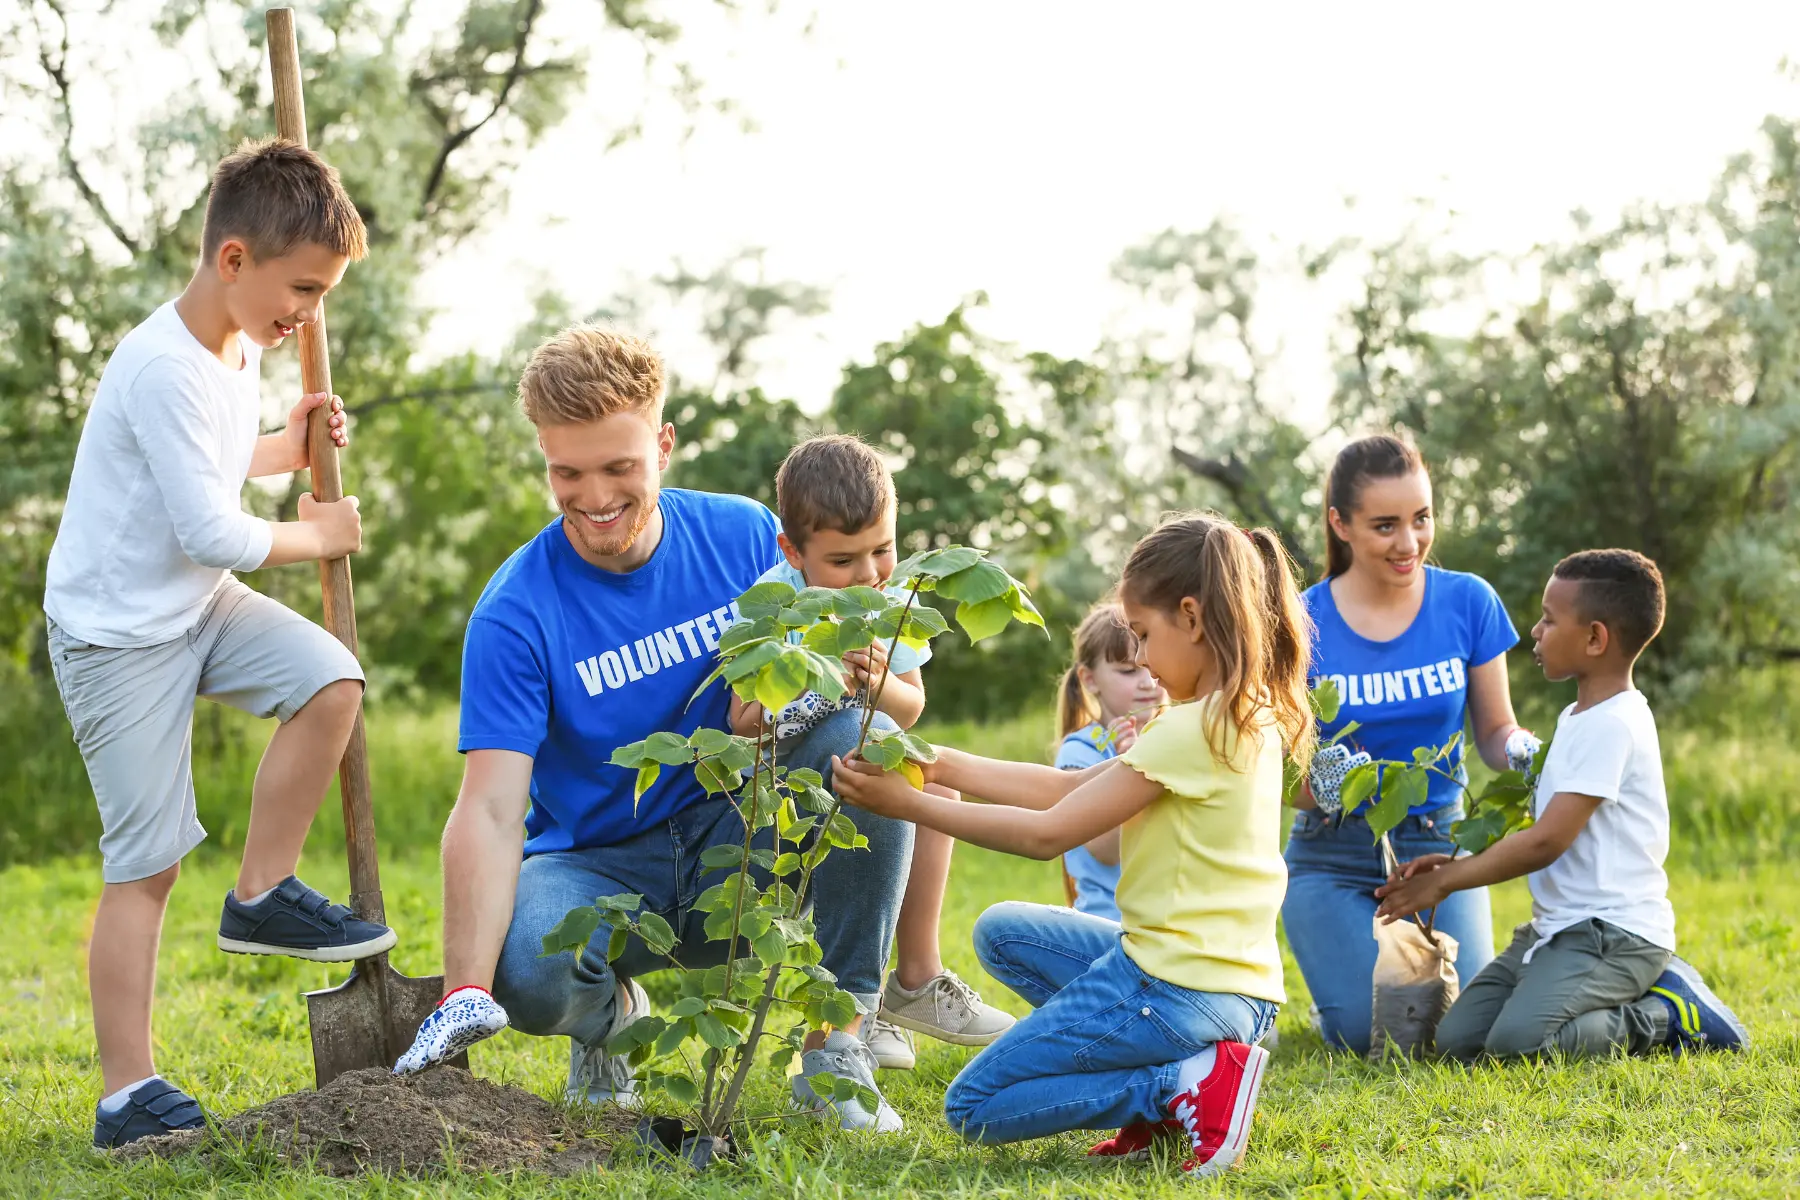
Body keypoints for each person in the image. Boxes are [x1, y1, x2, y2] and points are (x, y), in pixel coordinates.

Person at [392, 328, 915, 1133]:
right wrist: (465, 988)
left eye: (619, 468)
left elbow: (873, 675)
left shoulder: (745, 539)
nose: (594, 496)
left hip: (742, 835)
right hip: (601, 866)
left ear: (663, 446)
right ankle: (612, 1023)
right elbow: (492, 810)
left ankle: (838, 1041)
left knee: (867, 737)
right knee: (525, 965)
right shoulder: (515, 612)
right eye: (567, 472)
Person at [43, 139, 387, 1149]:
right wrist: (318, 531)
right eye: (304, 288)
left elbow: (226, 464)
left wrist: (293, 442)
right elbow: (213, 529)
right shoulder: (160, 365)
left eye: (322, 293)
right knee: (144, 865)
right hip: (117, 636)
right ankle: (124, 1095)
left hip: (194, 606)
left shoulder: (235, 348)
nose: (310, 313)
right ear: (233, 260)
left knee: (331, 679)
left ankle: (262, 893)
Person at [833, 513, 1311, 1180]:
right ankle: (1184, 1083)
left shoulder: (1186, 731)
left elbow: (1047, 834)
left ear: (1193, 618)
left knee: (975, 1104)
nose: (1140, 658)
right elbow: (1074, 785)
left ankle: (1177, 1088)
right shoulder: (1241, 713)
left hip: (1175, 986)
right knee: (1003, 933)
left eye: (1143, 636)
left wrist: (906, 804)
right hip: (1235, 991)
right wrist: (936, 763)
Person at [1376, 550, 1748, 1058]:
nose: (1534, 630)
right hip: (1557, 930)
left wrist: (1444, 882)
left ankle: (1664, 1015)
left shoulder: (1615, 724)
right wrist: (1455, 861)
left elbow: (1546, 841)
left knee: (1517, 1047)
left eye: (1549, 620)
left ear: (1595, 638)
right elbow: (1550, 826)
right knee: (1459, 1040)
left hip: (1614, 934)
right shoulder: (1577, 715)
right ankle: (1574, 989)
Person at [730, 435, 1015, 1073]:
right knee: (884, 762)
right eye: (843, 560)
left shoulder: (889, 603)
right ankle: (846, 1023)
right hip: (780, 797)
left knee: (934, 789)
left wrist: (878, 682)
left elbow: (909, 705)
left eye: (882, 549)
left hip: (860, 774)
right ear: (792, 553)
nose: (868, 574)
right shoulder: (772, 606)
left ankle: (908, 983)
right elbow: (742, 720)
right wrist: (816, 669)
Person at [1283, 435, 1539, 1055]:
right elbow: (1281, 772)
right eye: (1386, 525)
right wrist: (1325, 783)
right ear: (1339, 524)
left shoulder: (1467, 602)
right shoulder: (1299, 622)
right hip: (1332, 857)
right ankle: (1340, 992)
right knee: (1363, 1035)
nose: (1410, 543)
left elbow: (1495, 733)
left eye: (1421, 519)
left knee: (1457, 1032)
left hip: (1441, 850)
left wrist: (1536, 753)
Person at [1053, 602, 1167, 920]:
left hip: (1166, 924)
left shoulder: (1174, 736)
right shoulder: (1079, 753)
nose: (1147, 682)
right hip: (1108, 924)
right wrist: (1133, 762)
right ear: (1089, 679)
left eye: (1154, 666)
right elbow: (1105, 850)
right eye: (1129, 671)